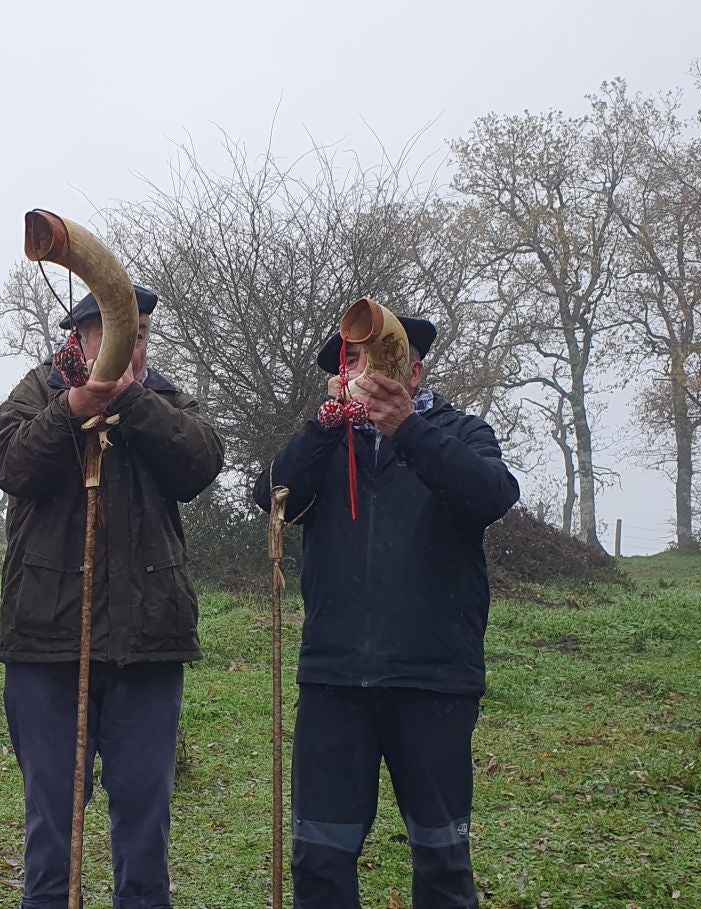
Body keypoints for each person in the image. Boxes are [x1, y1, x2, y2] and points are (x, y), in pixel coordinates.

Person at [253, 311, 520, 909]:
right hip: (333, 679)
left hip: (433, 680)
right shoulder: (326, 443)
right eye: (350, 362)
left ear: (414, 371)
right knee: (320, 859)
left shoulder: (461, 432)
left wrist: (407, 431)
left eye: (375, 359)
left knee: (442, 858)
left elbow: (490, 496)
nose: (361, 373)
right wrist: (323, 428)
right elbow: (269, 496)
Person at [0, 285, 225, 909]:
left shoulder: (166, 400)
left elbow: (201, 466)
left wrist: (134, 405)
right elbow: (9, 466)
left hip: (149, 644)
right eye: (115, 334)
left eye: (140, 335)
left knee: (145, 819)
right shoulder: (38, 393)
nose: (129, 346)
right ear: (81, 337)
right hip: (45, 642)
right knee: (51, 820)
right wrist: (72, 408)